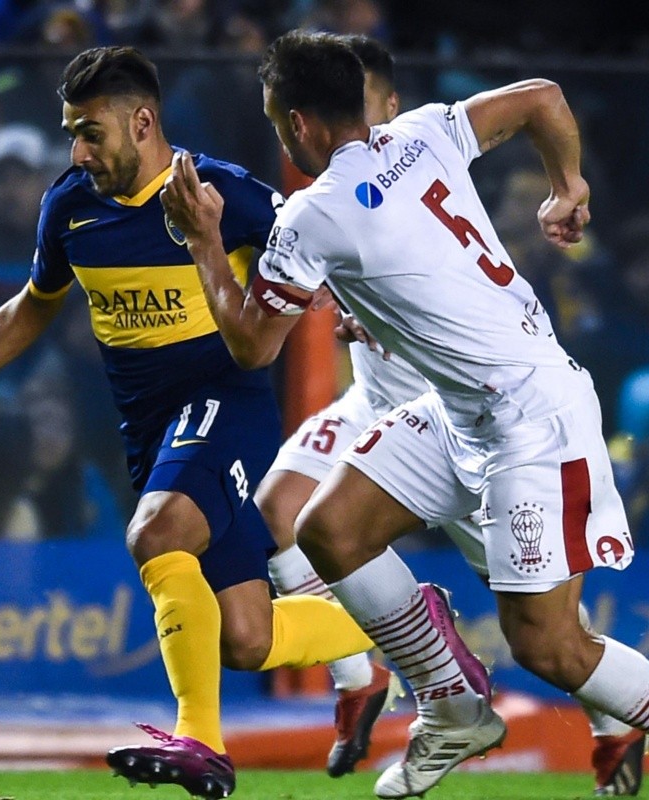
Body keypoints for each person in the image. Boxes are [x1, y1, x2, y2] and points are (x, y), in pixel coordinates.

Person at [0, 45, 417, 800]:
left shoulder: (220, 192)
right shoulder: (70, 207)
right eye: (69, 134)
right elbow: (35, 302)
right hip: (150, 429)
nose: (77, 151)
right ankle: (408, 625)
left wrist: (355, 311)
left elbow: (322, 244)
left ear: (143, 122)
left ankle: (200, 743)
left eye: (89, 132)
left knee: (156, 532)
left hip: (228, 402)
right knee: (247, 637)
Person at [159, 29, 649, 799]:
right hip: (460, 412)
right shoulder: (422, 132)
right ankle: (453, 707)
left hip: (532, 421)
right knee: (327, 527)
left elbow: (253, 346)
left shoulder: (313, 215)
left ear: (297, 125)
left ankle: (594, 713)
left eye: (275, 118)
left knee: (548, 648)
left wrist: (204, 243)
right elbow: (544, 98)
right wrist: (569, 184)